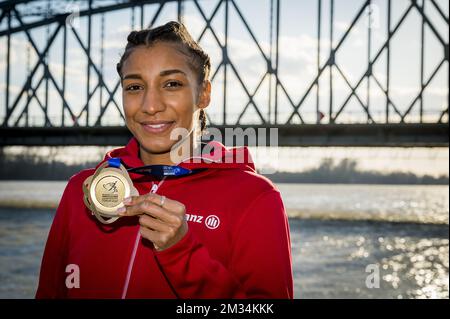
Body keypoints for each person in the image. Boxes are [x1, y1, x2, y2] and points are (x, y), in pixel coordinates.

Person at [36, 21, 293, 299]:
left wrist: (181, 252)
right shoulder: (81, 190)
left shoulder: (256, 198)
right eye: (134, 87)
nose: (150, 105)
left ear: (204, 94)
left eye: (171, 84)